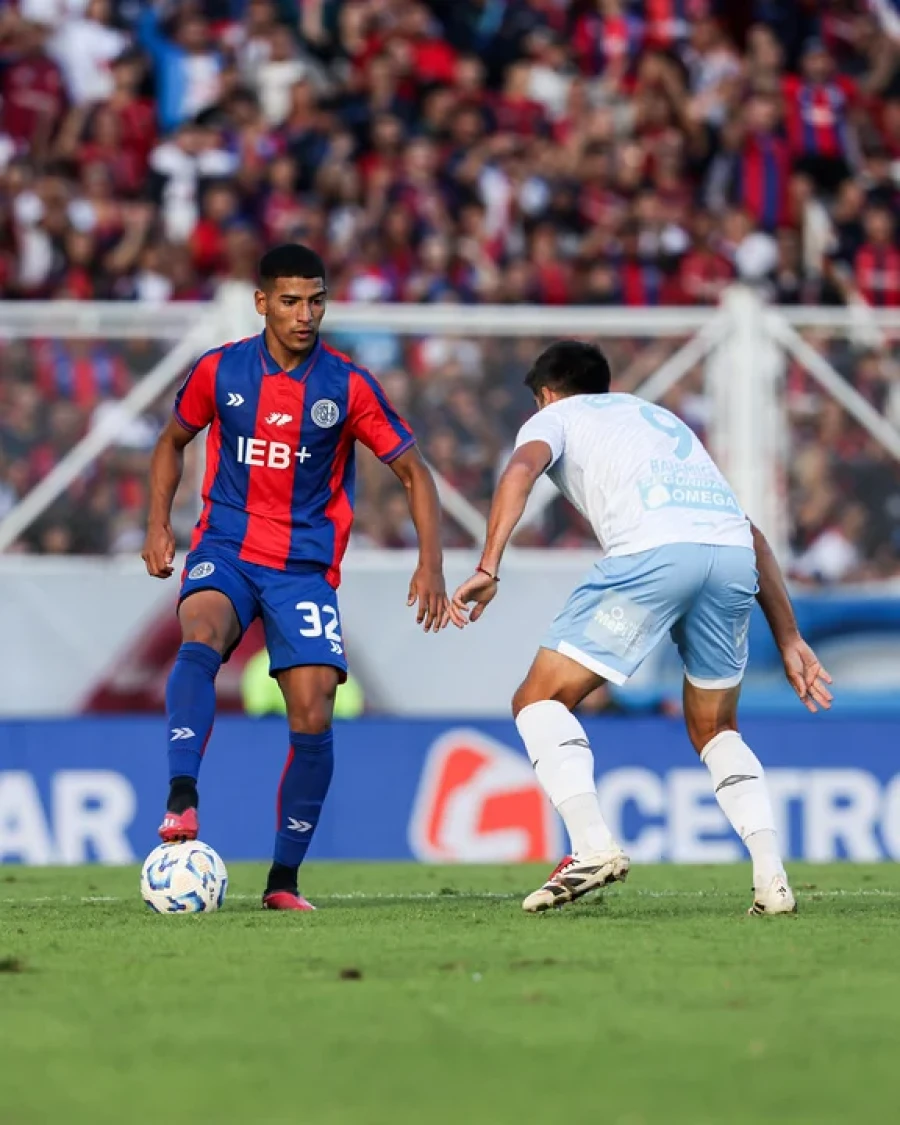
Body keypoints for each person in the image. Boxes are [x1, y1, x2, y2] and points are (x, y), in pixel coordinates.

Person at [449, 340, 833, 917]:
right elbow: (749, 531)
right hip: (731, 558)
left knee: (538, 700)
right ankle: (771, 878)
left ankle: (591, 846)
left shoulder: (556, 416)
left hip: (655, 555)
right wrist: (789, 637)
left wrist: (488, 564)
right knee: (715, 726)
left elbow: (521, 468)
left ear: (547, 395)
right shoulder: (657, 418)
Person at [142, 243, 447, 911]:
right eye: (289, 301)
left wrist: (431, 561)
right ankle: (182, 797)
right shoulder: (219, 371)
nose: (304, 314)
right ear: (262, 303)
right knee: (201, 631)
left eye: (315, 300)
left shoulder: (348, 385)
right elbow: (171, 440)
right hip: (227, 543)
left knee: (314, 711)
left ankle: (282, 880)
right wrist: (158, 523)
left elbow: (413, 471)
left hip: (304, 569)